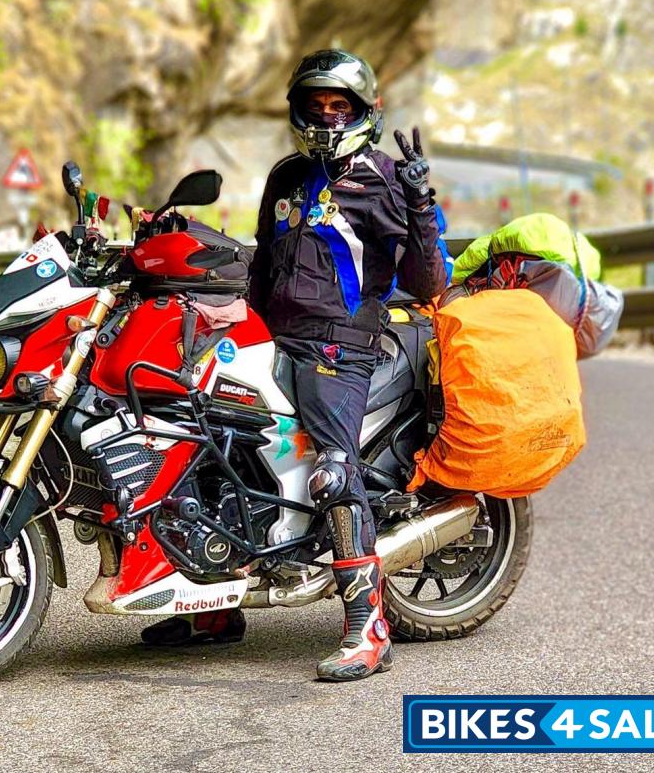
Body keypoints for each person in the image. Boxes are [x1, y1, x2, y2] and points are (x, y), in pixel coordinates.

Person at [143, 48, 449, 681]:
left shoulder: (386, 180)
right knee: (209, 436)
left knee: (333, 473)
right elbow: (263, 261)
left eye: (341, 107)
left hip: (341, 346)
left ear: (367, 110)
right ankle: (217, 609)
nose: (328, 117)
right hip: (276, 336)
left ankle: (367, 630)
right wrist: (236, 316)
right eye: (317, 106)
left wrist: (421, 206)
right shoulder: (287, 176)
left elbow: (425, 282)